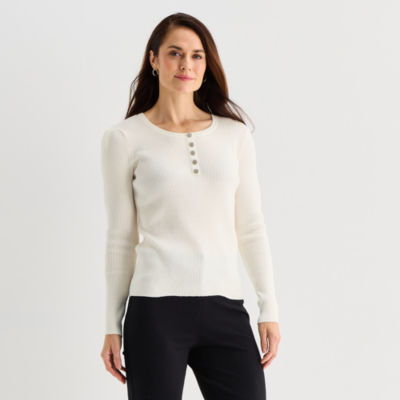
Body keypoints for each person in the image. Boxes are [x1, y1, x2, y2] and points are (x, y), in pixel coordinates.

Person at [99, 12, 281, 400]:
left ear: (207, 63)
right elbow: (120, 237)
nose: (187, 64)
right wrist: (112, 325)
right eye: (175, 53)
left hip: (226, 308)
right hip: (154, 311)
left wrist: (269, 309)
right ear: (153, 59)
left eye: (197, 55)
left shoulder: (234, 135)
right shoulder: (124, 138)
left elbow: (251, 227)